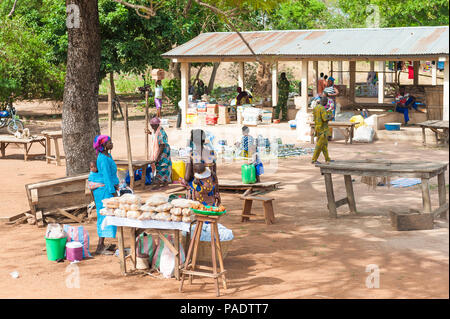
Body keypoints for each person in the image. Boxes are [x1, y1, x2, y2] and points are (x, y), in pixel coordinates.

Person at [91, 135, 119, 255]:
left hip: (109, 188)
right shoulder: (102, 159)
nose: (111, 144)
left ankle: (103, 243)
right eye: (109, 142)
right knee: (104, 216)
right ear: (103, 145)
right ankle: (100, 246)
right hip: (104, 191)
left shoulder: (108, 155)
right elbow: (107, 177)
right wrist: (113, 193)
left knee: (108, 215)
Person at [184, 129, 217, 198]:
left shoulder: (192, 155)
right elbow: (214, 173)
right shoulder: (212, 153)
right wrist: (217, 192)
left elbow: (187, 177)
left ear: (193, 141)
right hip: (210, 187)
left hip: (198, 190)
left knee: (187, 182)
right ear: (204, 139)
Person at [145, 117, 172, 189]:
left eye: (152, 125)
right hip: (161, 152)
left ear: (157, 125)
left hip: (163, 153)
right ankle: (164, 183)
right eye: (151, 125)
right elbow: (155, 138)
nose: (152, 127)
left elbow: (161, 145)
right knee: (161, 167)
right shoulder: (157, 131)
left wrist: (157, 157)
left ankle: (159, 184)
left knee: (162, 167)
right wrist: (150, 133)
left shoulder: (161, 133)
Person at [311, 96, 333, 164]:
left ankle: (327, 159)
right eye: (326, 102)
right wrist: (330, 117)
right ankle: (314, 160)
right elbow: (325, 119)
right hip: (323, 130)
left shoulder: (315, 108)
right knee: (319, 145)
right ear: (324, 102)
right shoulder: (322, 108)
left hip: (318, 128)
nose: (326, 104)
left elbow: (315, 118)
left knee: (324, 145)